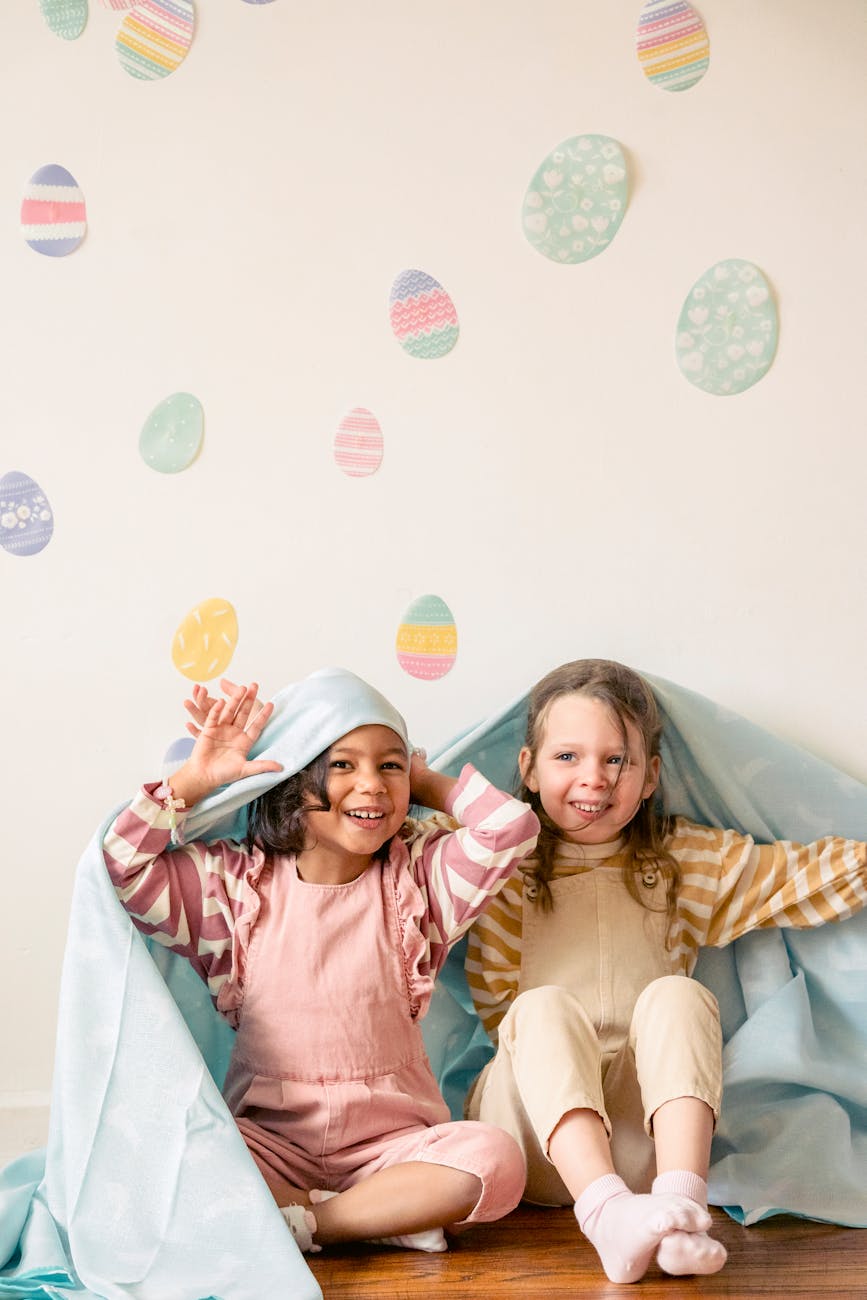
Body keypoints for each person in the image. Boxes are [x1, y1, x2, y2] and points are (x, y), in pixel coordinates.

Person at [103, 668, 539, 1255]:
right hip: (271, 1147)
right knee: (169, 1151)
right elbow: (121, 865)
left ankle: (312, 1225)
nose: (372, 785)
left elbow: (511, 829)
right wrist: (196, 781)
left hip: (392, 1150)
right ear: (294, 777)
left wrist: (424, 779)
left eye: (389, 765)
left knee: (495, 1159)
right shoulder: (230, 891)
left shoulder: (420, 883)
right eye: (342, 765)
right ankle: (381, 1218)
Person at [464, 658, 867, 1284]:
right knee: (541, 1005)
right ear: (529, 769)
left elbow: (802, 876)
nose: (594, 779)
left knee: (680, 994)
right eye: (567, 757)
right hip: (529, 1138)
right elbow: (390, 848)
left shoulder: (680, 862)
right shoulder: (496, 863)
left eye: (617, 760)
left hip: (645, 1146)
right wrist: (422, 779)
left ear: (651, 775)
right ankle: (605, 1214)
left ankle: (681, 1215)